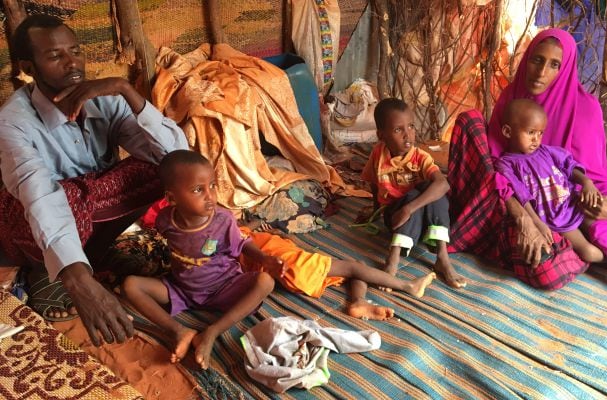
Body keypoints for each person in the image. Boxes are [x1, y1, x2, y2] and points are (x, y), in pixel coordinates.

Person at [0, 15, 188, 344]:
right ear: (29, 67)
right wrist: (80, 284)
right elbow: (40, 197)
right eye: (55, 56)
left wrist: (127, 91)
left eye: (75, 50)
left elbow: (176, 158)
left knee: (161, 171)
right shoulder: (13, 122)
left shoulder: (105, 97)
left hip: (89, 212)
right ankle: (55, 270)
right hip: (30, 222)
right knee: (70, 196)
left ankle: (93, 257)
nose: (72, 63)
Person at [448, 28, 607, 291]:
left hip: (573, 201)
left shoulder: (585, 108)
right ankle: (577, 254)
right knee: (542, 267)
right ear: (527, 59)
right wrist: (526, 218)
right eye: (537, 59)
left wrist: (600, 203)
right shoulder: (511, 98)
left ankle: (584, 250)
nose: (542, 72)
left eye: (554, 64)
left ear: (564, 68)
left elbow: (594, 174)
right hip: (528, 201)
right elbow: (499, 169)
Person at [122, 150, 283, 370]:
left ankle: (211, 332)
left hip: (224, 286)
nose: (210, 196)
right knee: (130, 285)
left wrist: (265, 258)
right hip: (182, 290)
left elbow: (242, 244)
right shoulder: (165, 220)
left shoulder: (223, 220)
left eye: (213, 186)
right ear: (171, 198)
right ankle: (179, 331)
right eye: (198, 190)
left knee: (266, 282)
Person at [361, 98, 467, 289]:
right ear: (381, 135)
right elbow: (373, 183)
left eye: (411, 126)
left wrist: (409, 209)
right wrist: (374, 211)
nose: (407, 135)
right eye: (398, 130)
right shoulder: (378, 154)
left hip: (422, 221)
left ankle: (441, 257)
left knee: (431, 188)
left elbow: (443, 185)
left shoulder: (420, 157)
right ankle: (393, 260)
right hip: (394, 218)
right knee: (413, 194)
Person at [239, 222, 436, 321]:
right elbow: (250, 223)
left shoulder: (244, 235)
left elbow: (254, 225)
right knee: (353, 267)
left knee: (355, 264)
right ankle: (408, 286)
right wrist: (257, 222)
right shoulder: (238, 236)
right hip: (292, 264)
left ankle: (358, 302)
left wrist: (272, 230)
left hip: (292, 265)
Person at [495, 99, 607, 264]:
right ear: (507, 131)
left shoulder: (546, 152)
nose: (536, 139)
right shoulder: (506, 164)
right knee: (590, 252)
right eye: (531, 132)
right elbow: (522, 196)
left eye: (540, 133)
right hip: (556, 219)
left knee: (606, 234)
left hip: (575, 203)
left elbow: (570, 167)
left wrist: (587, 182)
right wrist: (537, 222)